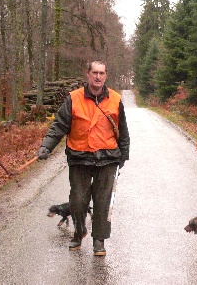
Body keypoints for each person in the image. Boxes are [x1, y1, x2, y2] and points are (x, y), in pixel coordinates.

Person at [37, 60, 130, 255]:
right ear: (87, 74)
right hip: (79, 157)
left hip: (108, 158)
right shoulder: (73, 98)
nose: (98, 76)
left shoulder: (115, 99)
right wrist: (46, 146)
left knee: (103, 202)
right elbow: (59, 126)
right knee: (78, 202)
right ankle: (79, 232)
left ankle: (99, 240)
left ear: (106, 75)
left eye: (101, 73)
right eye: (94, 72)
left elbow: (123, 131)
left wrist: (123, 157)